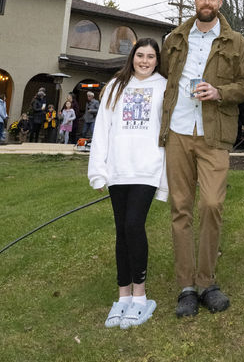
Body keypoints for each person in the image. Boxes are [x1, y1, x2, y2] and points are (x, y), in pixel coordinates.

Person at [159, 0, 244, 318]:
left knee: (211, 204)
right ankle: (186, 286)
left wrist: (219, 92)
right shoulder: (174, 39)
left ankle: (207, 282)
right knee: (180, 208)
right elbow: (165, 76)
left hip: (214, 133)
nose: (206, 1)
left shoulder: (236, 41)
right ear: (195, 1)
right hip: (179, 130)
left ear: (221, 2)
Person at [88, 38, 168, 328]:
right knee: (121, 231)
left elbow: (167, 132)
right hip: (118, 170)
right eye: (139, 55)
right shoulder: (114, 86)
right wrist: (98, 170)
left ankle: (140, 296)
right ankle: (122, 297)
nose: (144, 61)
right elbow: (102, 130)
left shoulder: (163, 86)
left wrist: (165, 177)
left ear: (157, 60)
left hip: (146, 169)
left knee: (134, 225)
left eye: (150, 56)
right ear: (132, 57)